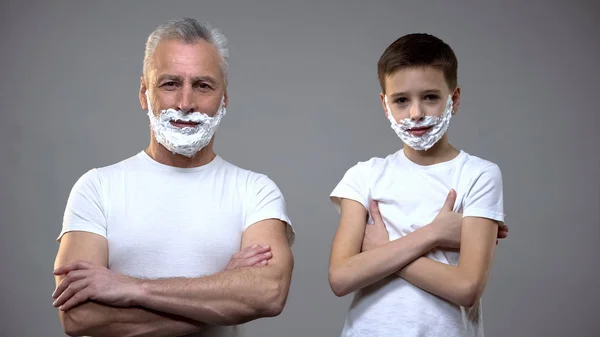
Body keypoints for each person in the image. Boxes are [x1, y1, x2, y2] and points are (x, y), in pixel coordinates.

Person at [51, 18, 295, 337]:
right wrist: (222, 291)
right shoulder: (96, 188)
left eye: (203, 85)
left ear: (224, 99)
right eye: (170, 84)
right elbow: (79, 318)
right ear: (144, 93)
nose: (185, 103)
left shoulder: (256, 191)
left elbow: (268, 294)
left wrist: (132, 288)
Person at [328, 33, 509, 337]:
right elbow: (341, 277)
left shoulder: (478, 175)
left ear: (455, 98)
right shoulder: (363, 176)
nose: (416, 113)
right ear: (385, 105)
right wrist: (434, 234)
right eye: (401, 101)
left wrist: (382, 252)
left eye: (430, 97)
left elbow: (466, 288)